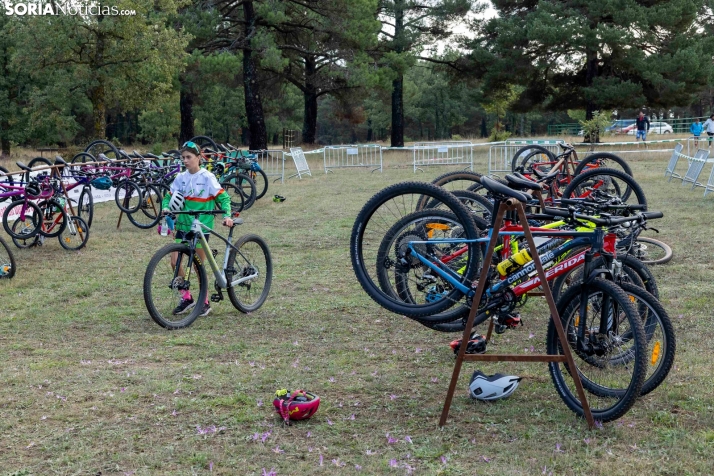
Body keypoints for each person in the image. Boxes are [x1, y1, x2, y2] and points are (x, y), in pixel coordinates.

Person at [161, 141, 233, 317]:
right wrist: (165, 208)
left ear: (198, 158)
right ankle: (186, 298)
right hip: (183, 226)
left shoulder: (207, 177)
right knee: (174, 262)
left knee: (197, 265)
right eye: (183, 157)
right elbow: (167, 197)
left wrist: (227, 215)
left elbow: (224, 198)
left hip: (202, 227)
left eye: (189, 157)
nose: (185, 160)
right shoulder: (180, 178)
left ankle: (205, 302)